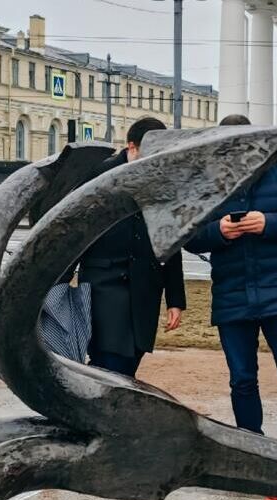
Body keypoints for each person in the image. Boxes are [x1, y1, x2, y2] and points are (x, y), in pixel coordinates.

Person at [184, 113, 277, 449]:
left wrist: (268, 222)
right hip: (232, 296)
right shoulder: (209, 181)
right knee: (242, 380)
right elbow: (188, 235)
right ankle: (251, 446)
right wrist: (219, 231)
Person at [66, 116, 185, 377]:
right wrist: (58, 285)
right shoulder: (100, 175)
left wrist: (175, 299)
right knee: (109, 365)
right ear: (132, 147)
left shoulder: (162, 181)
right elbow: (74, 229)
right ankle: (97, 413)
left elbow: (169, 238)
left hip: (145, 287)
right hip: (104, 285)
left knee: (130, 361)